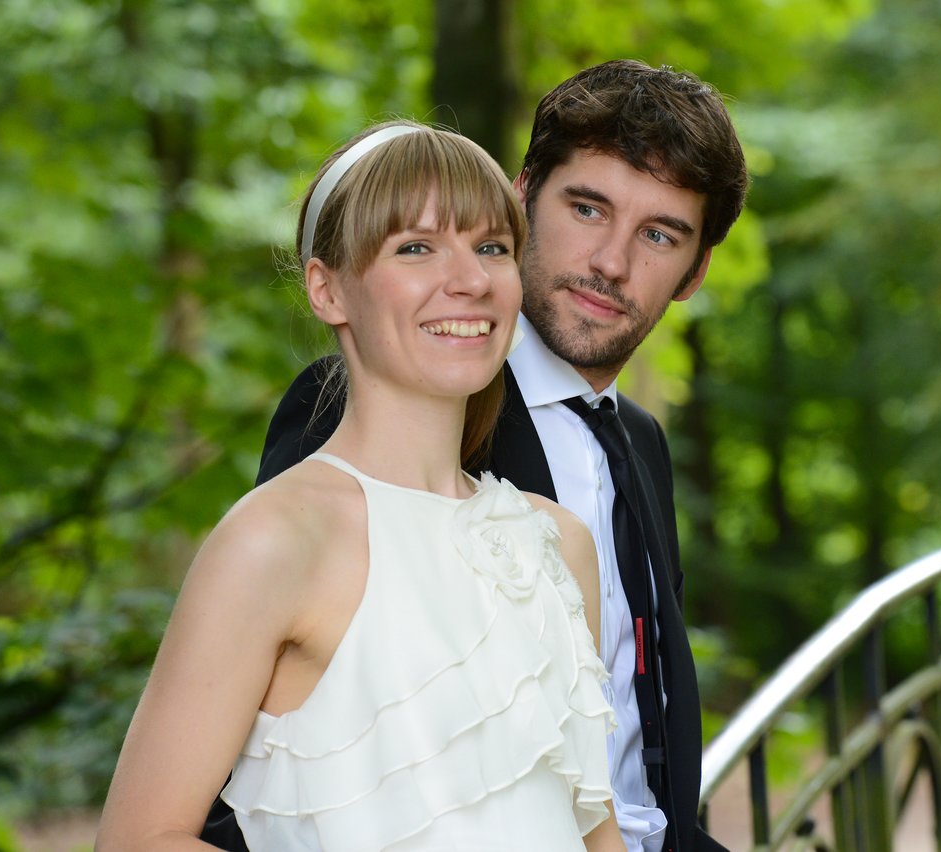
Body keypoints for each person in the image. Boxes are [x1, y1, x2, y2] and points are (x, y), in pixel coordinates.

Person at [223, 60, 748, 852]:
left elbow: (637, 763)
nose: (611, 260)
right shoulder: (384, 404)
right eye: (587, 207)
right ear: (522, 195)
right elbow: (268, 771)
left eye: (659, 234)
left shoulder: (639, 441)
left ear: (696, 271)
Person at [97, 121, 626, 851]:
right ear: (327, 289)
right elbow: (139, 840)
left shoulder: (558, 543)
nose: (470, 279)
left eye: (492, 248)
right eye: (415, 247)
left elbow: (594, 831)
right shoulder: (275, 539)